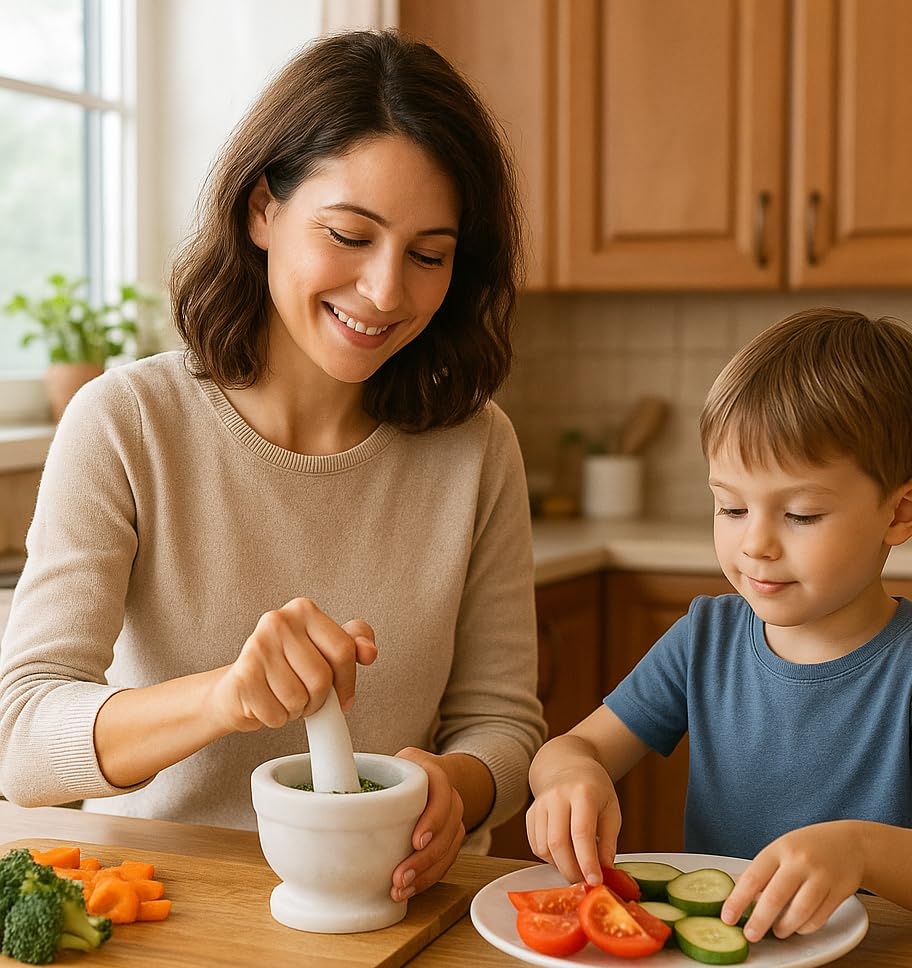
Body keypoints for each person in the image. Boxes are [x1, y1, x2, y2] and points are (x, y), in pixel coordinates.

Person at [0, 30, 546, 906]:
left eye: (428, 255)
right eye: (348, 234)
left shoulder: (477, 449)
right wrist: (224, 697)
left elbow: (504, 726)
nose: (384, 291)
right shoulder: (126, 424)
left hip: (392, 910)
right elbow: (23, 741)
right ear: (263, 209)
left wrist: (459, 786)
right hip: (170, 907)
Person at [527, 308, 912, 941]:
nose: (754, 544)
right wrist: (572, 775)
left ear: (902, 511)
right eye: (730, 506)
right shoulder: (704, 639)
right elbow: (573, 747)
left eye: (802, 515)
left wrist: (860, 850)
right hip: (729, 967)